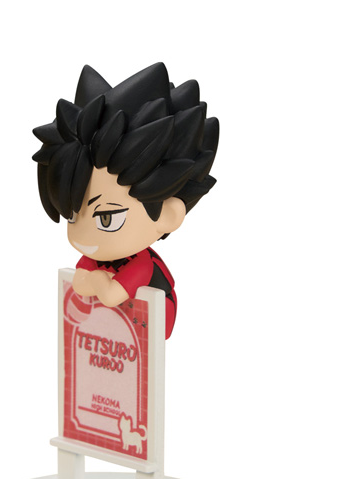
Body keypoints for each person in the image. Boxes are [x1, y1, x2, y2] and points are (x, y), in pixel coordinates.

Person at [32, 63, 219, 338]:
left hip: (153, 322)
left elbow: (110, 294)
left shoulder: (142, 264)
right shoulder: (96, 256)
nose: (84, 236)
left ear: (168, 215)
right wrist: (93, 282)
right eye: (72, 215)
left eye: (106, 218)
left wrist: (98, 283)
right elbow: (82, 281)